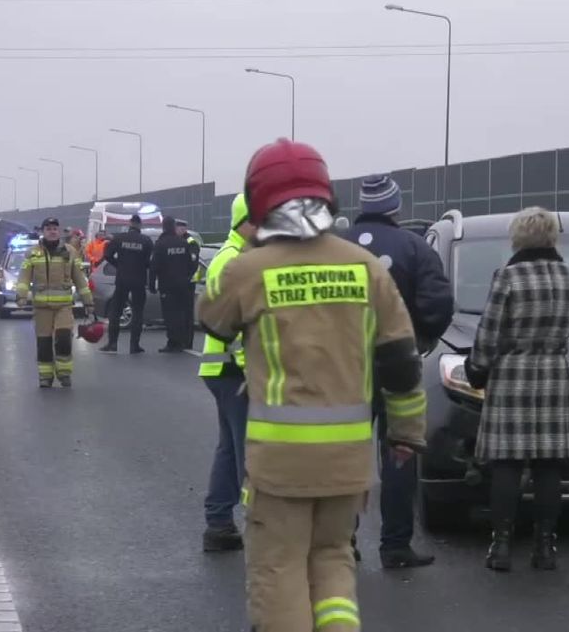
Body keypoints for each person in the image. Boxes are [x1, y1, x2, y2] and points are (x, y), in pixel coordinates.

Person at [200, 139, 429, 632]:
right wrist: (406, 433)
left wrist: (257, 247)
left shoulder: (250, 269)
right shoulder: (365, 267)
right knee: (332, 563)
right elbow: (402, 363)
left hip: (280, 464)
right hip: (347, 463)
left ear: (260, 202)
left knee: (279, 570)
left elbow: (212, 318)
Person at [463, 206, 569, 572]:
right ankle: (545, 548)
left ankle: (501, 547)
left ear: (517, 236)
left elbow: (489, 330)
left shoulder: (508, 278)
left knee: (508, 464)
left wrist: (477, 369)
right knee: (549, 466)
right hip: (553, 372)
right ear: (552, 236)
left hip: (512, 371)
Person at [343, 174, 454, 569]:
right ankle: (395, 546)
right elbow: (438, 301)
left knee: (345, 458)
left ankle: (342, 544)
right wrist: (420, 338)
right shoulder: (414, 247)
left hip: (344, 367)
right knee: (400, 453)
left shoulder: (335, 248)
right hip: (398, 366)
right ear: (395, 207)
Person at [198, 194, 254, 552]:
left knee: (230, 449)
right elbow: (236, 322)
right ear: (246, 221)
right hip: (235, 370)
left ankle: (219, 523)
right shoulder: (234, 262)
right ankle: (263, 527)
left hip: (224, 368)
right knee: (252, 451)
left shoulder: (234, 257)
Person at [15, 217, 94, 387]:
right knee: (43, 343)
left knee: (64, 338)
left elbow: (79, 278)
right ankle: (45, 376)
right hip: (42, 307)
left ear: (59, 232)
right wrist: (21, 295)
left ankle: (64, 373)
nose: (52, 231)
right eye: (48, 228)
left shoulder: (70, 252)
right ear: (42, 232)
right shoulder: (32, 253)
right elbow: (24, 277)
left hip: (64, 306)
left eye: (55, 229)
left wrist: (88, 301)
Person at [101, 214, 153, 354]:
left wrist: (119, 265)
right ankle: (134, 346)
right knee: (137, 313)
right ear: (140, 225)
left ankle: (112, 344)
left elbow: (107, 255)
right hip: (139, 280)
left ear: (130, 223)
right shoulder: (146, 241)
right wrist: (141, 266)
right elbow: (150, 262)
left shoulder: (119, 238)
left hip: (122, 279)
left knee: (116, 312)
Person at [151, 215, 198, 353]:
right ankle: (183, 341)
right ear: (174, 226)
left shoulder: (160, 244)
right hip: (183, 285)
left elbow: (154, 266)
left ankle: (173, 342)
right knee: (182, 313)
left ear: (163, 226)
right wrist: (187, 277)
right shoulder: (183, 243)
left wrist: (152, 283)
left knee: (170, 314)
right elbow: (191, 264)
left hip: (167, 285)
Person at [178, 219, 202, 350]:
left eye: (179, 228)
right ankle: (183, 340)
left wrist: (186, 276)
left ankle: (187, 342)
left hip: (189, 282)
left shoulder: (190, 241)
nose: (177, 231)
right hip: (185, 281)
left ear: (183, 229)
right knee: (183, 313)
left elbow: (193, 260)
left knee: (187, 314)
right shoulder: (182, 240)